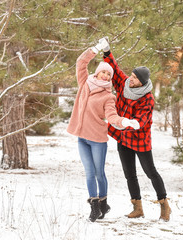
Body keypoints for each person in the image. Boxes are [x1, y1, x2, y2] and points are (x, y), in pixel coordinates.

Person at [66, 39, 140, 222]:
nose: (106, 76)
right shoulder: (84, 83)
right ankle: (95, 206)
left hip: (98, 140)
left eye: (109, 74)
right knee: (89, 173)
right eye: (103, 72)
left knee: (99, 172)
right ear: (97, 73)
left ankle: (103, 203)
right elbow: (80, 62)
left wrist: (126, 122)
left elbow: (112, 117)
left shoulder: (108, 96)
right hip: (82, 138)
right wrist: (95, 49)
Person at [100, 38, 171, 221]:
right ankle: (137, 208)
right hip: (123, 137)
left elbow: (142, 119)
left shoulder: (147, 98)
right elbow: (114, 69)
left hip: (140, 140)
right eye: (131, 76)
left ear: (141, 83)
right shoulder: (124, 84)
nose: (131, 80)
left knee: (150, 172)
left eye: (135, 79)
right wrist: (107, 52)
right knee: (129, 174)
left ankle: (164, 205)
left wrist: (132, 123)